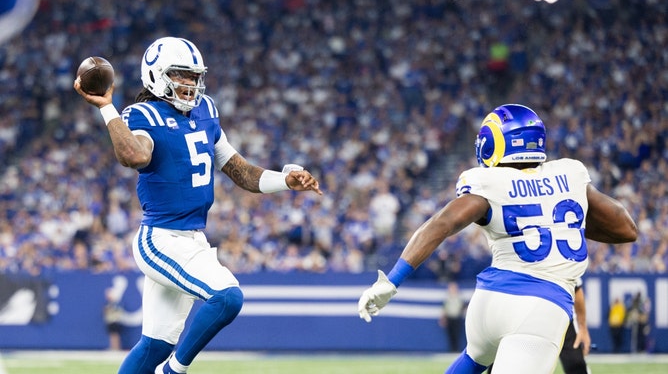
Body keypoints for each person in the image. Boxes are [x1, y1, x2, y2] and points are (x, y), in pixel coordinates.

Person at [74, 36, 322, 374]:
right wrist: (107, 107)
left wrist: (284, 180)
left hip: (193, 239)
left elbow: (241, 171)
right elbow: (134, 155)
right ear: (157, 75)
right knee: (227, 296)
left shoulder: (206, 110)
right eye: (180, 74)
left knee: (154, 345)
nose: (189, 84)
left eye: (193, 76)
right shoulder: (142, 114)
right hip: (160, 238)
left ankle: (166, 365)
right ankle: (174, 370)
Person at [358, 104, 638, 374]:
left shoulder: (488, 181)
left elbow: (441, 224)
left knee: (473, 359)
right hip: (542, 308)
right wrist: (557, 223)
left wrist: (391, 281)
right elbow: (627, 229)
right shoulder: (569, 174)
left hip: (489, 302)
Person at [487, 277, 591, 374]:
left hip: (558, 316)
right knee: (503, 362)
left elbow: (576, 289)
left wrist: (583, 328)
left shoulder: (562, 261)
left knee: (576, 366)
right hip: (521, 314)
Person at [439, 281, 466, 353]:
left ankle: (456, 349)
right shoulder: (448, 297)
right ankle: (451, 349)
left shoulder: (459, 297)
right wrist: (443, 318)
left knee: (456, 334)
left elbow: (462, 307)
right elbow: (445, 308)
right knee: (450, 334)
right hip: (449, 317)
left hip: (456, 317)